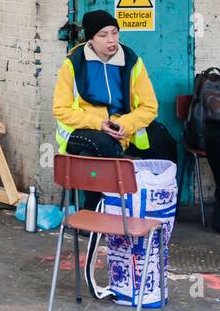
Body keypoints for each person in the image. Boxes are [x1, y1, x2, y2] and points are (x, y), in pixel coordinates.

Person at [53, 10, 177, 186]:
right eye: (103, 35)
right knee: (103, 146)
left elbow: (149, 107)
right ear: (90, 39)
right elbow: (61, 109)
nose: (111, 40)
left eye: (115, 32)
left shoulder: (132, 61)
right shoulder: (73, 64)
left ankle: (162, 204)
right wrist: (100, 124)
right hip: (84, 129)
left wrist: (125, 125)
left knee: (164, 141)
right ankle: (99, 206)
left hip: (123, 127)